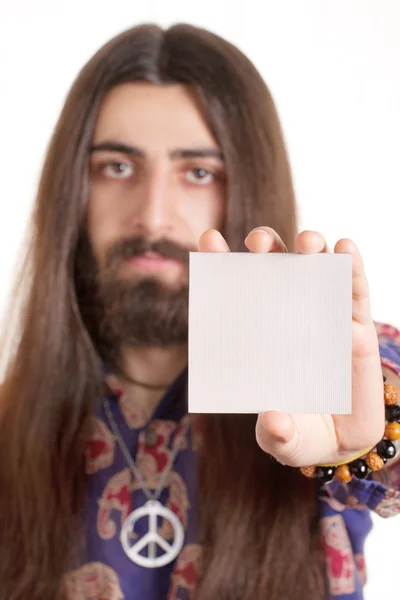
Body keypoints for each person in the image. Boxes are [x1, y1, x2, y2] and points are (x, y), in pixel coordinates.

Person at [0, 22, 399, 600]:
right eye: (117, 166)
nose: (153, 216)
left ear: (247, 187)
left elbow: (378, 392)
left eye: (199, 172)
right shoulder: (8, 423)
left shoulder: (317, 395)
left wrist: (365, 435)